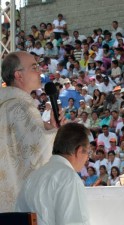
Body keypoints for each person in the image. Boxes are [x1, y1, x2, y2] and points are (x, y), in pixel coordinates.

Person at [0, 52, 60, 212]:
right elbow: (36, 152)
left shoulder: (5, 102)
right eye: (34, 67)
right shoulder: (22, 106)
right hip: (18, 208)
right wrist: (55, 132)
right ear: (18, 75)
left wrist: (47, 127)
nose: (39, 71)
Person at [15, 123, 91, 225]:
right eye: (87, 153)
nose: (87, 158)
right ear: (79, 151)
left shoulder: (32, 177)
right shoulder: (69, 178)